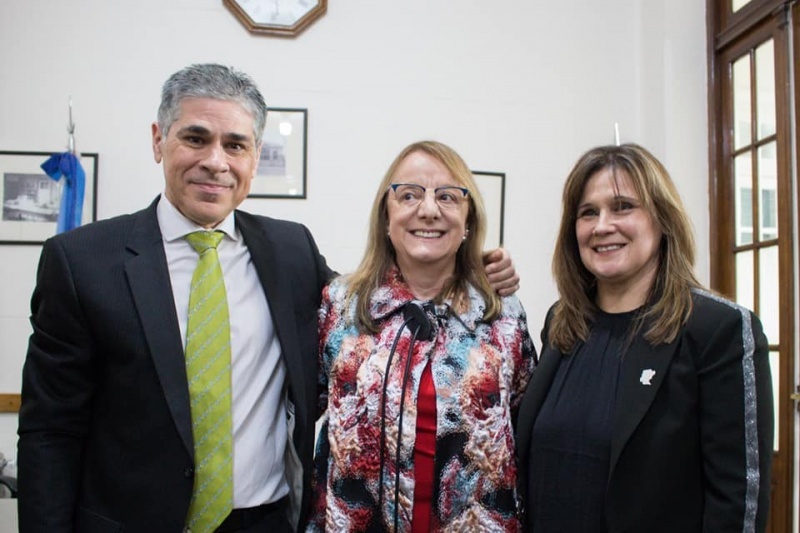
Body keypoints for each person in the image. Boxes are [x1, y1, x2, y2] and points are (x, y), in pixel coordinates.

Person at [17, 64, 520, 533]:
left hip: (265, 522)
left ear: (255, 157)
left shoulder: (290, 251)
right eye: (196, 138)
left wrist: (479, 274)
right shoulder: (82, 262)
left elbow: (385, 305)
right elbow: (49, 431)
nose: (215, 161)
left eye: (235, 145)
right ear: (158, 141)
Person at [516, 143, 774, 532]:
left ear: (662, 219)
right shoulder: (562, 323)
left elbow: (738, 504)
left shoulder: (717, 329)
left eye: (623, 207)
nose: (603, 226)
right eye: (588, 212)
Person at [308, 140, 536, 532]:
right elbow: (303, 409)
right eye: (409, 194)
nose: (428, 210)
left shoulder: (503, 316)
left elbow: (528, 428)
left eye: (448, 196)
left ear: (468, 222)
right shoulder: (341, 306)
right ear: (385, 217)